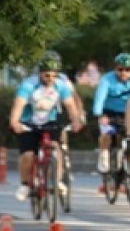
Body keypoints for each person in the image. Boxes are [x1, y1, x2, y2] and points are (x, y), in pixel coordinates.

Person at [8, 55, 84, 202]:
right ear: (40, 73)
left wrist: (76, 121)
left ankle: (58, 180)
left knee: (56, 147)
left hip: (50, 122)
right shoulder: (28, 85)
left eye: (54, 75)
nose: (50, 78)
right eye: (47, 75)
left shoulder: (61, 85)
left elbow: (70, 105)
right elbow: (19, 105)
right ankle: (25, 184)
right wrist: (15, 122)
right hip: (28, 123)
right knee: (28, 155)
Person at [93, 53, 130, 184]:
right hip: (109, 113)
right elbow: (100, 98)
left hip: (128, 114)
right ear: (115, 69)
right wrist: (100, 115)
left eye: (127, 70)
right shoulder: (107, 80)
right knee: (106, 133)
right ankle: (104, 155)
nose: (124, 73)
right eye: (120, 69)